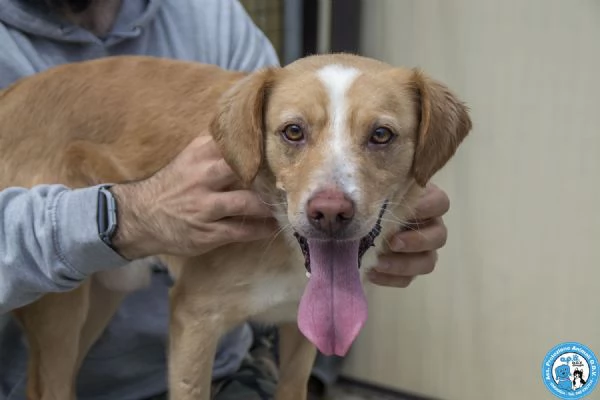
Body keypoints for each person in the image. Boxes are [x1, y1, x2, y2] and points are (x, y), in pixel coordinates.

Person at [0, 1, 450, 399]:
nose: (333, 198)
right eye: (294, 133)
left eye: (381, 135)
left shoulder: (214, 17)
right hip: (46, 147)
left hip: (227, 368)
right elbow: (197, 309)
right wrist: (126, 216)